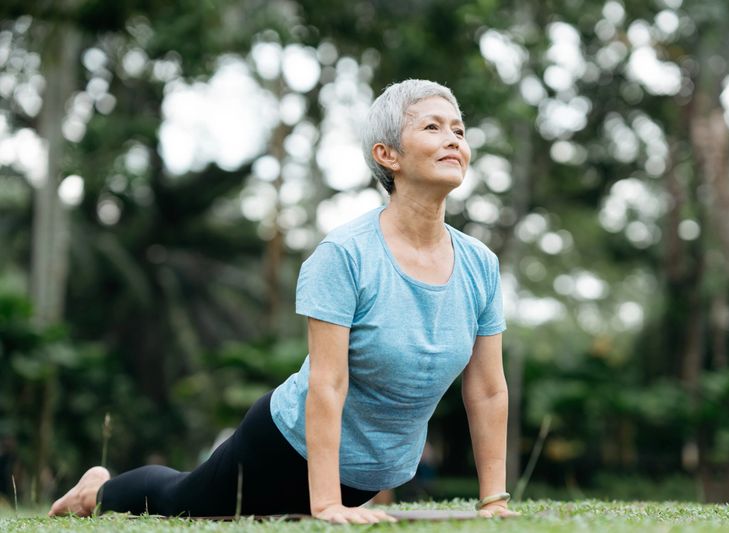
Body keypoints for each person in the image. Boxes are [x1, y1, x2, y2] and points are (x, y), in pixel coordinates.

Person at [49, 79, 516, 524]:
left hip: (365, 475)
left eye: (458, 129)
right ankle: (98, 489)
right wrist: (327, 503)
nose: (453, 139)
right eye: (432, 127)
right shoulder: (345, 255)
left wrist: (492, 500)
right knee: (180, 499)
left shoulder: (479, 265)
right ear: (387, 154)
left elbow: (488, 390)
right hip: (284, 447)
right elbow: (328, 384)